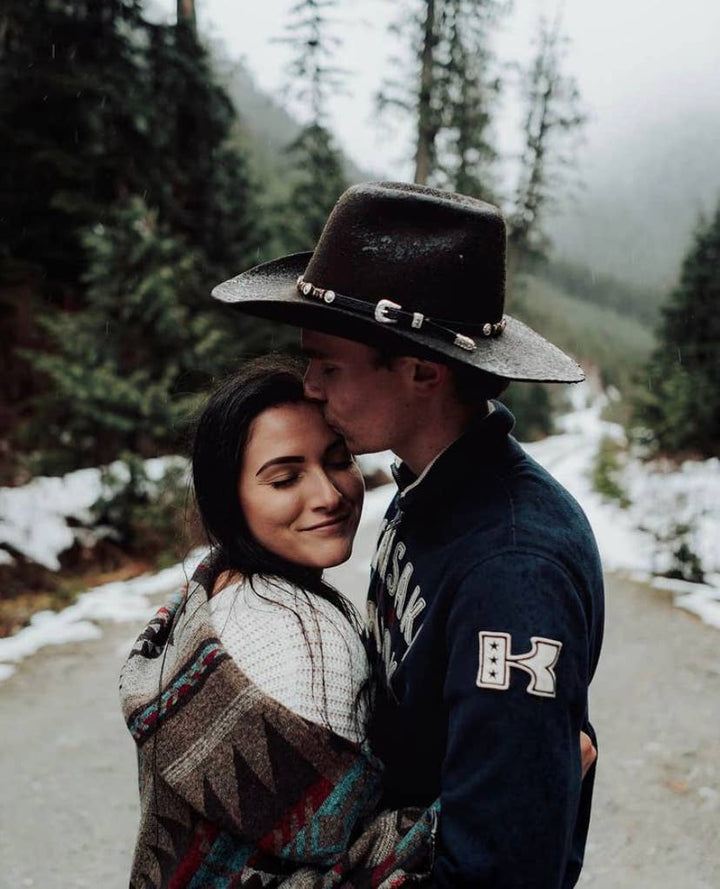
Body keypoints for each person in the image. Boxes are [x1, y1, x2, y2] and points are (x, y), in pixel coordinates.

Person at [211, 181, 605, 888]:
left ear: (422, 370)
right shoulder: (429, 493)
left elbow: (499, 872)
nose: (309, 386)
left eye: (329, 364)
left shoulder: (512, 568)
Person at [119, 359, 436, 889]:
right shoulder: (303, 641)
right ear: (230, 498)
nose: (329, 496)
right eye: (285, 478)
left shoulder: (214, 593)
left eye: (338, 461)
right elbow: (337, 853)